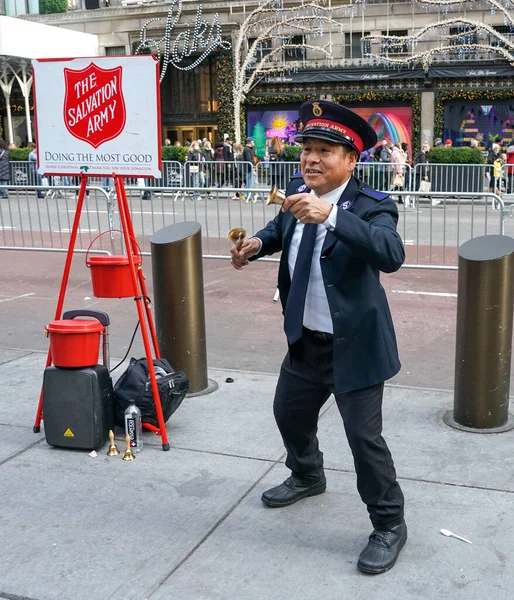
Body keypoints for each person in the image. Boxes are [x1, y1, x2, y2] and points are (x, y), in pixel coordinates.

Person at [230, 100, 406, 575]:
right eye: (306, 148)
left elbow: (391, 254)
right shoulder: (295, 190)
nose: (310, 158)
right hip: (306, 341)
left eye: (324, 150)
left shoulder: (372, 206)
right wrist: (258, 245)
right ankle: (307, 474)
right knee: (288, 412)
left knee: (363, 439)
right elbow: (280, 228)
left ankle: (389, 524)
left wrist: (329, 215)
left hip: (356, 346)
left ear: (350, 159)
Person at [242, 137, 257, 203]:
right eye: (253, 141)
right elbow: (249, 159)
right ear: (250, 142)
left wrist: (253, 147)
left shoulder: (250, 149)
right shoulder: (246, 149)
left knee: (251, 182)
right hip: (249, 168)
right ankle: (247, 195)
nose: (253, 142)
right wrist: (252, 169)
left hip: (251, 167)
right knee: (249, 182)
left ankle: (248, 195)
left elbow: (253, 154)